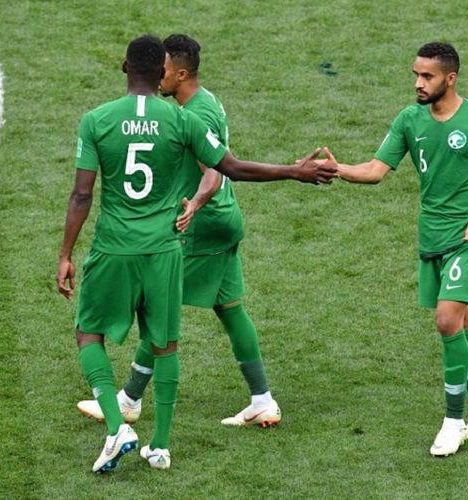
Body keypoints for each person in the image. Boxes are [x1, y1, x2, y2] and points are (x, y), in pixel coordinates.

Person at [58, 34, 335, 473]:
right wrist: (293, 172)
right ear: (158, 71)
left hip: (156, 237)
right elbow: (232, 167)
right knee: (203, 321)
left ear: (127, 68)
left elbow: (82, 193)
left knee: (100, 331)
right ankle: (210, 421)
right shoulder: (184, 115)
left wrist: (65, 253)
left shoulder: (100, 120)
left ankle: (123, 411)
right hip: (181, 239)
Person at [320, 42, 468, 457]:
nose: (417, 82)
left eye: (427, 76)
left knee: (447, 320)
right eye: (416, 74)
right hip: (430, 238)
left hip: (466, 238)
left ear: (450, 78)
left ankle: (452, 421)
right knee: (462, 322)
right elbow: (375, 171)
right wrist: (337, 169)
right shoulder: (409, 120)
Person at [77, 34, 282, 430]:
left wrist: (195, 204)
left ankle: (130, 398)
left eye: (166, 71)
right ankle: (262, 399)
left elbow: (215, 173)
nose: (159, 78)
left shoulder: (196, 114)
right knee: (230, 307)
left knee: (159, 312)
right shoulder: (202, 102)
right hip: (225, 222)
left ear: (181, 73)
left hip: (200, 227)